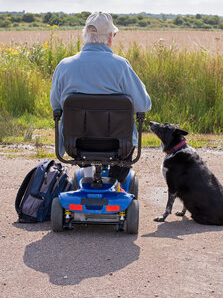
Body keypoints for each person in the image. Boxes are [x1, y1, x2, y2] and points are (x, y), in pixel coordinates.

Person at [50, 11, 151, 182]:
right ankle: (114, 182)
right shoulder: (121, 66)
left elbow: (56, 105)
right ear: (110, 37)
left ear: (85, 36)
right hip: (118, 145)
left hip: (76, 144)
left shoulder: (64, 66)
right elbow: (143, 105)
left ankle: (87, 176)